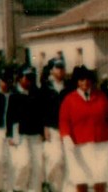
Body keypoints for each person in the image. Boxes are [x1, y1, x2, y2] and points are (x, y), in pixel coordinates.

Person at [60, 66, 108, 192]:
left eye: (87, 79)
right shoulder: (69, 100)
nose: (85, 82)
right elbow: (64, 121)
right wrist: (66, 136)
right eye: (81, 79)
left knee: (100, 178)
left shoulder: (101, 97)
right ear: (76, 81)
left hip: (101, 145)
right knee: (81, 180)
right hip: (79, 147)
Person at [0, 69, 23, 191]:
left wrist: (13, 134)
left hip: (10, 130)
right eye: (2, 81)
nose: (4, 84)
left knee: (10, 160)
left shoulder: (15, 96)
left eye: (7, 81)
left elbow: (17, 115)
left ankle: (9, 188)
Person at [40, 57, 72, 192]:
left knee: (68, 162)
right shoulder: (45, 88)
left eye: (62, 67)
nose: (60, 70)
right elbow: (41, 109)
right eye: (57, 67)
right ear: (51, 70)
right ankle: (50, 184)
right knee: (55, 159)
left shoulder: (69, 87)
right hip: (52, 128)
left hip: (68, 129)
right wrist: (44, 126)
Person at [12, 66, 45, 192]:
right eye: (26, 77)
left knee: (38, 165)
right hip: (21, 135)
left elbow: (42, 113)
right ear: (20, 78)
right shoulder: (14, 95)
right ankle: (18, 188)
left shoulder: (37, 93)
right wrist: (12, 135)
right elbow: (10, 117)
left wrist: (43, 132)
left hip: (36, 134)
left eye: (31, 78)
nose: (29, 81)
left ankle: (35, 189)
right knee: (23, 163)